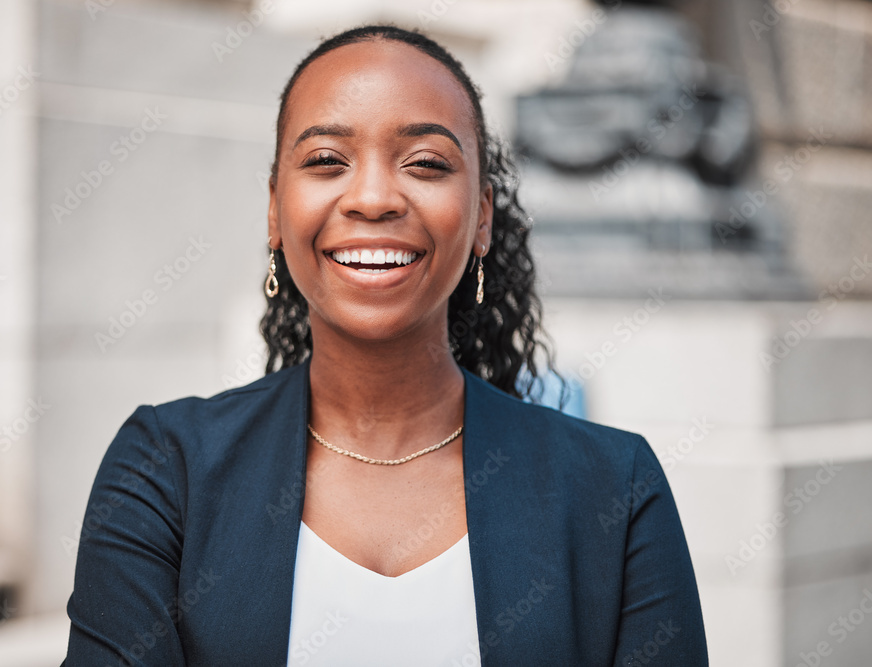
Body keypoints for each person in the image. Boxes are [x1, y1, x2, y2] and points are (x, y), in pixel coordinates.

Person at [63, 24, 708, 666]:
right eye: (326, 161)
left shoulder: (613, 491)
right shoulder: (164, 471)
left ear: (482, 216)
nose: (372, 198)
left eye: (425, 163)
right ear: (273, 211)